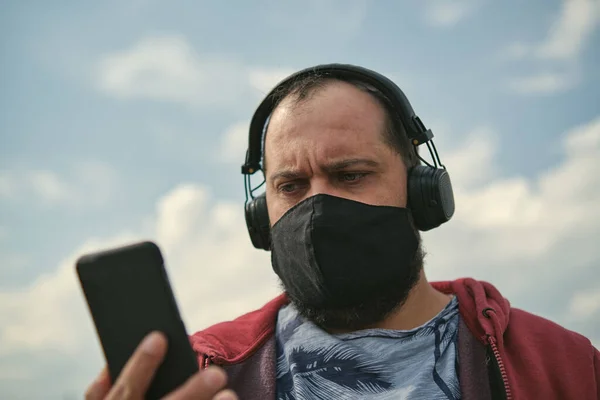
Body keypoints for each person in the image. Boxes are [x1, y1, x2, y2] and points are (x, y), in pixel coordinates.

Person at [85, 64, 599, 400]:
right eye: (290, 185)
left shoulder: (563, 365)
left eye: (351, 175)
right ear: (261, 217)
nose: (317, 208)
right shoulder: (203, 374)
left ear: (423, 190)